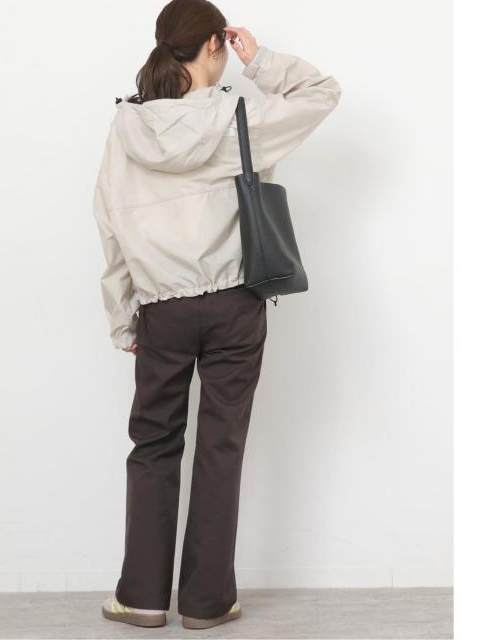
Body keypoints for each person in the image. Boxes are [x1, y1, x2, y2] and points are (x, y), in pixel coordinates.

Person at [93, 0, 341, 629]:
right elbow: (322, 92)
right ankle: (207, 602)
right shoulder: (241, 117)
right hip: (234, 304)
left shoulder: (127, 127)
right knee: (221, 446)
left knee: (153, 445)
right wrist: (261, 61)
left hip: (162, 310)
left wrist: (123, 318)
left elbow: (111, 226)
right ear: (212, 45)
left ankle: (142, 597)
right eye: (224, 45)